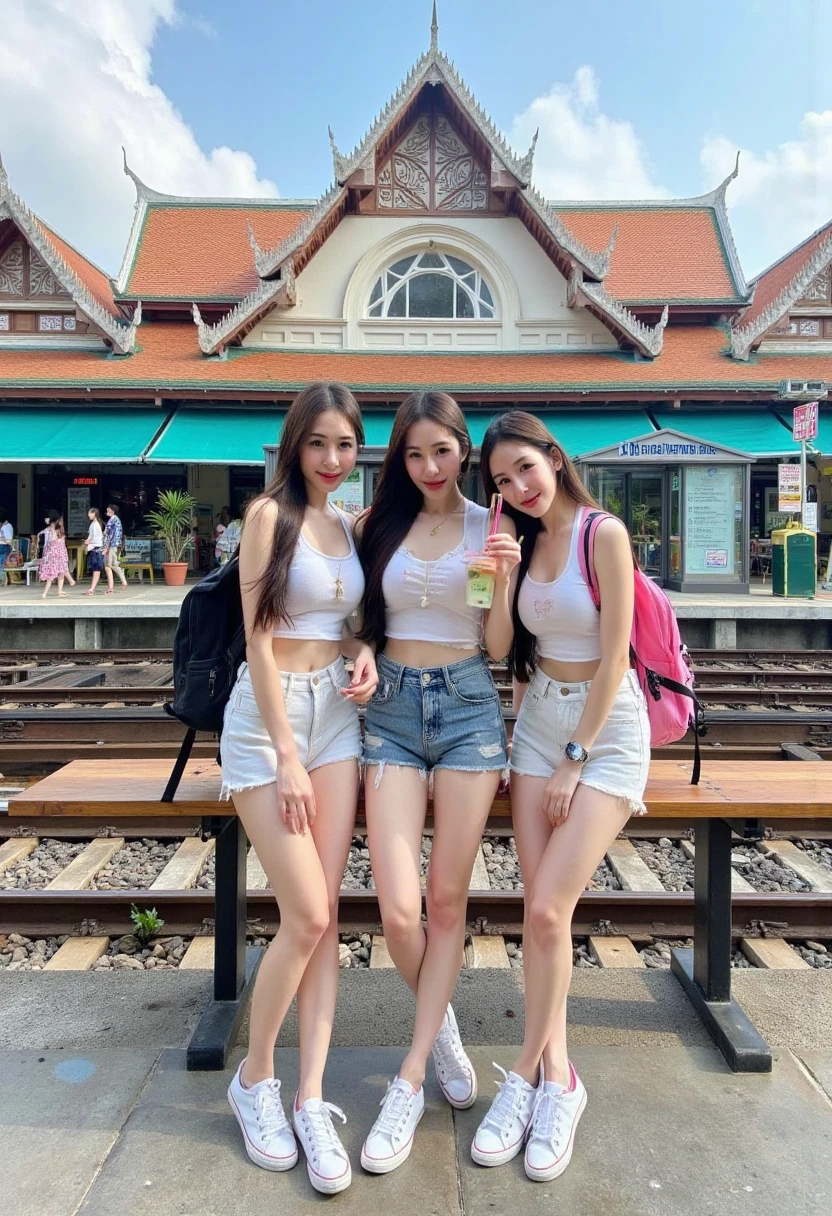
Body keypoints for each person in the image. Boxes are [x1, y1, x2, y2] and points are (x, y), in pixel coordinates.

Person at [471, 411, 649, 1182]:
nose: (517, 487)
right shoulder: (520, 541)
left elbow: (616, 658)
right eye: (502, 481)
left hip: (602, 733)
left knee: (547, 910)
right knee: (543, 914)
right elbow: (498, 650)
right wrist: (501, 576)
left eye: (525, 469)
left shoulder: (602, 533)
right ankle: (560, 1080)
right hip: (537, 720)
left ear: (553, 456)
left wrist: (578, 757)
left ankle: (523, 1075)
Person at [355, 391, 519, 1174]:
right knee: (396, 910)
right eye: (415, 454)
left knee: (446, 903)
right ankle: (441, 1026)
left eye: (443, 452)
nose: (429, 468)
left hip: (467, 710)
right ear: (400, 457)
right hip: (388, 711)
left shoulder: (493, 525)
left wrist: (504, 580)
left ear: (465, 450)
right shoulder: (375, 524)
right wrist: (357, 652)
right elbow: (359, 623)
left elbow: (494, 643)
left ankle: (411, 1075)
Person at [221, 382, 377, 1196]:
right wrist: (284, 752)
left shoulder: (345, 526)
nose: (332, 459)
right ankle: (255, 1081)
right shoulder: (266, 519)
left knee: (325, 919)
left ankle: (311, 1097)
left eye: (345, 444)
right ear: (295, 446)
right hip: (270, 722)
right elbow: (260, 637)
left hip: (337, 722)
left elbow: (340, 620)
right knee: (307, 914)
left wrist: (364, 651)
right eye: (318, 443)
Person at [39, 510, 76, 598]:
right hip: (57, 554)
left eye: (47, 518)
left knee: (58, 573)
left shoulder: (54, 529)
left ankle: (59, 591)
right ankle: (67, 584)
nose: (45, 519)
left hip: (54, 554)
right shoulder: (55, 528)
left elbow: (53, 540)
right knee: (60, 572)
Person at [84, 508, 110, 595]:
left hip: (97, 548)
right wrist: (88, 540)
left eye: (90, 513)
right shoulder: (93, 524)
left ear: (94, 514)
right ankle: (92, 588)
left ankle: (92, 588)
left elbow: (97, 538)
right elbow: (91, 536)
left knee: (97, 569)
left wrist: (89, 542)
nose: (88, 515)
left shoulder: (95, 525)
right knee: (96, 569)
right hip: (95, 548)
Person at [103, 505, 128, 589]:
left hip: (112, 544)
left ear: (112, 511)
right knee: (112, 563)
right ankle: (122, 581)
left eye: (108, 510)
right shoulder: (115, 519)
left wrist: (106, 545)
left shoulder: (113, 520)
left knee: (111, 564)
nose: (107, 510)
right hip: (114, 543)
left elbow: (109, 533)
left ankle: (119, 582)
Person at [0, 508, 13, 587]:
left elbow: (9, 541)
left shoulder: (7, 527)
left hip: (4, 547)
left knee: (1, 564)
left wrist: (1, 538)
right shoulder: (3, 526)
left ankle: (2, 581)